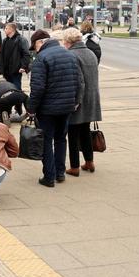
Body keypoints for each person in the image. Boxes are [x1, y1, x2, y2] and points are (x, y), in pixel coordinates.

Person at [27, 30, 83, 188]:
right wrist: (75, 102)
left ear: (40, 43)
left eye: (35, 47)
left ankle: (49, 177)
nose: (35, 50)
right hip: (66, 107)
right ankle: (60, 173)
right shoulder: (70, 55)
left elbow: (37, 88)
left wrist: (31, 109)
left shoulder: (41, 58)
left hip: (48, 109)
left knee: (46, 140)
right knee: (60, 139)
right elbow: (79, 81)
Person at [63, 28, 101, 177]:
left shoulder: (72, 55)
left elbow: (79, 81)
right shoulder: (90, 53)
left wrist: (75, 102)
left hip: (79, 99)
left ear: (69, 41)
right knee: (85, 131)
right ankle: (89, 161)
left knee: (72, 133)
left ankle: (74, 166)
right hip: (92, 98)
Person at [0, 23, 31, 90]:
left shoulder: (21, 40)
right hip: (6, 70)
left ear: (11, 29)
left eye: (6, 28)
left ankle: (18, 100)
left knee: (16, 88)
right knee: (9, 88)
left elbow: (26, 54)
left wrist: (23, 66)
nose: (4, 30)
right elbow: (1, 55)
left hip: (16, 69)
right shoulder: (5, 40)